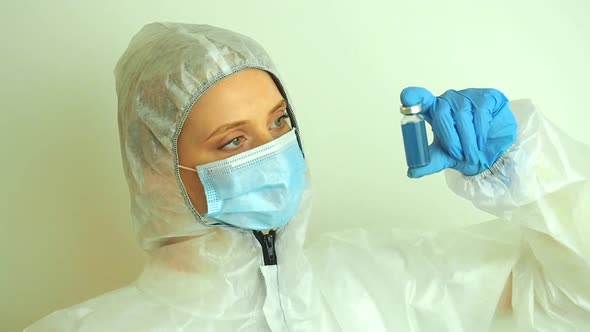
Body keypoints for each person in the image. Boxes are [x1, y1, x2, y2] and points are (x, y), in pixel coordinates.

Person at [25, 22, 590, 331]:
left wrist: (523, 163)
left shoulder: (384, 282)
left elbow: (572, 300)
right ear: (154, 174)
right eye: (234, 141)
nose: (273, 152)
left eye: (279, 123)